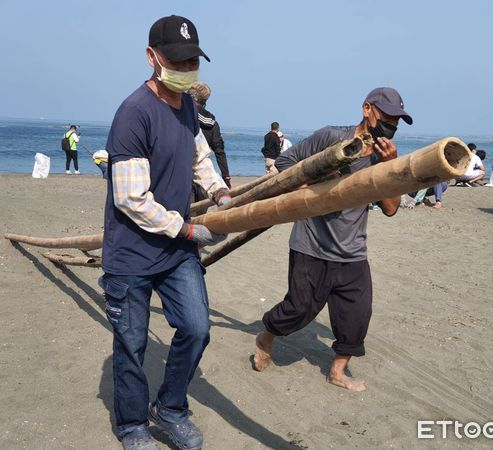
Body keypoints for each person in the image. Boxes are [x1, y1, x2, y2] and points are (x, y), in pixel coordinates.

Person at [98, 15, 230, 450]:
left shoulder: (189, 105)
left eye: (193, 60)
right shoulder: (134, 113)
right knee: (132, 346)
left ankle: (170, 408)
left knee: (196, 328)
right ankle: (132, 426)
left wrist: (219, 191)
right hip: (132, 256)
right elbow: (131, 199)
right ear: (152, 57)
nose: (186, 67)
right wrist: (189, 229)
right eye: (177, 60)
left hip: (174, 254)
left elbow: (199, 156)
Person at [252, 87, 412, 392]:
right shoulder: (331, 137)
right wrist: (315, 185)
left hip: (352, 248)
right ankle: (266, 337)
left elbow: (391, 208)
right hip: (312, 243)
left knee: (356, 314)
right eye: (386, 117)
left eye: (396, 121)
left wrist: (389, 167)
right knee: (299, 308)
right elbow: (286, 164)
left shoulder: (384, 156)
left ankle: (338, 371)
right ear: (367, 109)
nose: (391, 125)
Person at [187, 82, 232, 190]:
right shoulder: (212, 124)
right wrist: (226, 176)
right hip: (202, 177)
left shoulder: (180, 115)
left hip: (179, 174)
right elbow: (219, 152)